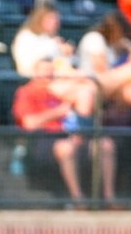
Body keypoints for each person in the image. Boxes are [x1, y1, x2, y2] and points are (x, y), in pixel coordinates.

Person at [12, 54, 118, 205]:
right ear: (35, 72)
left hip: (73, 136)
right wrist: (57, 112)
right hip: (44, 140)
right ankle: (78, 199)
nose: (48, 74)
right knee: (66, 148)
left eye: (51, 70)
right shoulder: (26, 92)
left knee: (105, 145)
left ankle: (109, 198)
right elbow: (29, 123)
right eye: (44, 70)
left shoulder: (61, 91)